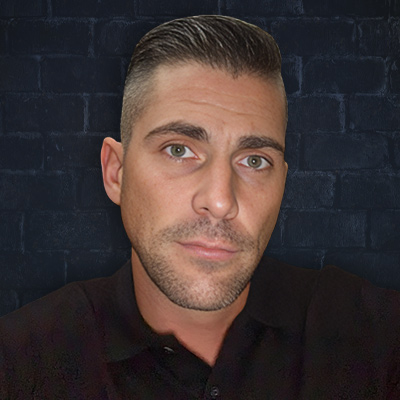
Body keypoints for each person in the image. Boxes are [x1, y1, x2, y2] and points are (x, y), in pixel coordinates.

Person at [0, 15, 399, 399]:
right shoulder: (21, 365)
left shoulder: (377, 338)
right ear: (116, 172)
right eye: (179, 150)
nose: (221, 201)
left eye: (254, 160)